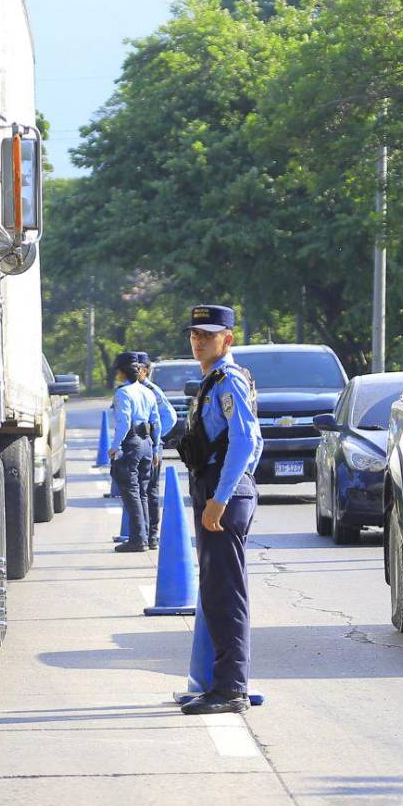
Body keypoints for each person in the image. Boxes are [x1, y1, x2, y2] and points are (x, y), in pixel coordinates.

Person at [176, 305, 263, 714]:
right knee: (217, 593)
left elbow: (246, 442)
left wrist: (223, 497)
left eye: (208, 335)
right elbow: (253, 443)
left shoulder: (228, 380)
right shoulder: (215, 380)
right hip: (217, 488)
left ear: (227, 339)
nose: (198, 341)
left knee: (225, 596)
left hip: (220, 495)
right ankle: (222, 681)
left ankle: (230, 689)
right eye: (194, 334)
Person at [108, 351, 159, 553]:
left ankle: (138, 539)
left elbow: (123, 422)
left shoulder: (123, 393)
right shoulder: (147, 391)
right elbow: (157, 421)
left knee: (131, 492)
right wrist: (155, 447)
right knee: (143, 493)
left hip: (132, 442)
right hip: (147, 442)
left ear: (122, 372)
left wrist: (114, 446)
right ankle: (145, 537)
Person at [136, 351, 178, 550]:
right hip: (139, 447)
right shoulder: (133, 389)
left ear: (144, 370)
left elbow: (170, 418)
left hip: (151, 447)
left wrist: (153, 437)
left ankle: (151, 534)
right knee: (141, 490)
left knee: (149, 490)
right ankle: (142, 533)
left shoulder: (151, 390)